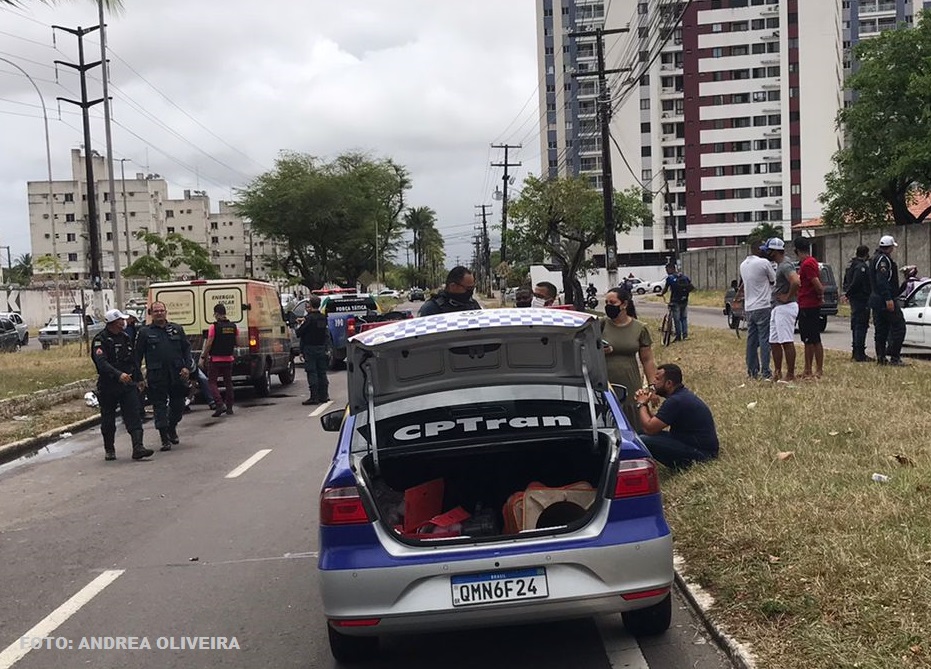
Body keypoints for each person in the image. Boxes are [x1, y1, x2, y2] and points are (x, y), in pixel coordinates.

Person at [91, 309, 155, 462]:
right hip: (109, 385)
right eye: (121, 320)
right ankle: (109, 449)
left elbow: (133, 360)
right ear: (114, 322)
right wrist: (118, 374)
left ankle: (138, 447)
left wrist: (139, 379)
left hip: (128, 384)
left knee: (133, 414)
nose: (124, 322)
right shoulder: (100, 340)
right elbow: (101, 363)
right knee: (108, 418)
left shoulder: (125, 337)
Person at [633, 364, 719, 470]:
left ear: (669, 383)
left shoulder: (676, 401)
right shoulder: (680, 396)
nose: (654, 382)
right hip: (689, 443)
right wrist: (645, 404)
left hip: (702, 454)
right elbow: (655, 424)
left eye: (658, 379)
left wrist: (641, 404)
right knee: (639, 434)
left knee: (643, 440)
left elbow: (650, 429)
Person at [135, 301, 194, 451]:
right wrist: (139, 378)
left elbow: (186, 349)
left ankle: (171, 427)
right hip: (157, 375)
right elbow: (137, 356)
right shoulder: (144, 332)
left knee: (178, 406)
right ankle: (164, 438)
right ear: (151, 314)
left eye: (162, 310)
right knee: (159, 406)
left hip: (177, 374)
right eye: (156, 311)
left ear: (166, 312)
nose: (159, 313)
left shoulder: (176, 329)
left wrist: (187, 367)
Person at [601, 287, 657, 431]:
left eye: (612, 302)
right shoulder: (600, 325)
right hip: (604, 381)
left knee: (632, 419)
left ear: (624, 304)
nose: (608, 306)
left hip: (629, 381)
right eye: (606, 302)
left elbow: (647, 359)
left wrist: (652, 386)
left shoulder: (639, 328)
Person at [868, 235, 907, 366]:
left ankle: (881, 357)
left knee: (881, 329)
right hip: (884, 299)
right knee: (899, 326)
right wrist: (888, 298)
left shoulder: (874, 258)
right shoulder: (883, 261)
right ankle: (895, 357)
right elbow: (882, 281)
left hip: (876, 299)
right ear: (889, 247)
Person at [740, 241, 776, 380]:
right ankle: (765, 371)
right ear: (759, 250)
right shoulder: (764, 263)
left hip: (749, 307)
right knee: (764, 340)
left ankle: (751, 370)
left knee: (751, 341)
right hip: (763, 305)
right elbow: (773, 280)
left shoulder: (743, 265)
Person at [767, 238, 800, 383]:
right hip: (777, 307)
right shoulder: (779, 265)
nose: (766, 253)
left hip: (786, 307)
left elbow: (796, 281)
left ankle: (790, 374)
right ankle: (778, 372)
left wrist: (787, 296)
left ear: (774, 251)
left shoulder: (785, 265)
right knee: (774, 341)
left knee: (786, 341)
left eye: (768, 250)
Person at [794, 237, 825, 379]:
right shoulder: (810, 262)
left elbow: (817, 284)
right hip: (807, 304)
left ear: (797, 250)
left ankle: (816, 369)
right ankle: (808, 369)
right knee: (809, 339)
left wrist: (819, 295)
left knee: (812, 339)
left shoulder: (807, 264)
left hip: (809, 305)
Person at [200, 303, 238, 418]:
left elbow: (210, 343)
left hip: (215, 359)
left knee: (212, 382)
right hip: (228, 358)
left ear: (216, 314)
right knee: (228, 383)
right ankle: (230, 407)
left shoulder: (214, 327)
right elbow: (237, 342)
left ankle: (219, 404)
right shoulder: (233, 326)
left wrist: (204, 356)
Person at [296, 295, 330, 405]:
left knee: (312, 372)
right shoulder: (322, 317)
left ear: (310, 305)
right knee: (322, 372)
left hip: (310, 348)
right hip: (321, 347)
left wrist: (301, 323)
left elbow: (299, 333)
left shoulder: (309, 319)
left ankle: (314, 397)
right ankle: (324, 395)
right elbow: (325, 333)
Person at [843, 244, 872, 362]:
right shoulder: (861, 267)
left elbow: (846, 281)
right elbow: (856, 282)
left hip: (855, 299)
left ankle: (856, 352)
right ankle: (859, 353)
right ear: (866, 254)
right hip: (861, 299)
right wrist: (848, 293)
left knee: (856, 325)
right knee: (861, 325)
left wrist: (847, 292)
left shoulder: (851, 265)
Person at [661, 263, 694, 342]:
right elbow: (690, 286)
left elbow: (666, 288)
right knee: (684, 318)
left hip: (675, 301)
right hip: (684, 300)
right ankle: (685, 335)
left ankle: (678, 336)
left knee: (677, 319)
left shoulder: (670, 278)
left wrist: (661, 294)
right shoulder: (684, 277)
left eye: (667, 270)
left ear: (671, 269)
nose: (667, 272)